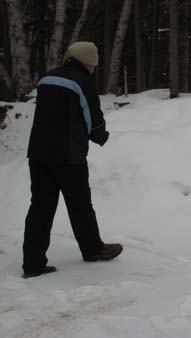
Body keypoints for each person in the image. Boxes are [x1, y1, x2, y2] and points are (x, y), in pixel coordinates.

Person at [22, 41, 123, 278]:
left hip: (38, 153)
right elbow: (92, 117)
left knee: (40, 207)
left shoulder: (47, 78)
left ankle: (32, 264)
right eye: (93, 63)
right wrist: (101, 136)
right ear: (88, 62)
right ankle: (92, 249)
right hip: (68, 155)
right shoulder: (83, 82)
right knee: (79, 205)